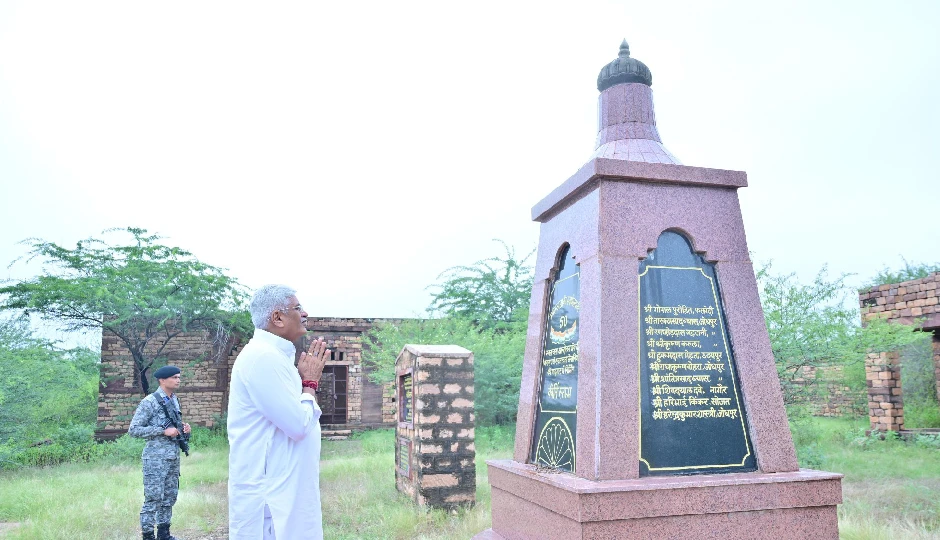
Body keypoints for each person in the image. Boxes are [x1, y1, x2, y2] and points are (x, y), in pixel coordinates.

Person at [227, 284, 329, 539]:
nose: (305, 313)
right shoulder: (263, 358)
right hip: (270, 498)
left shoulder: (273, 356)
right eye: (297, 308)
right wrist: (310, 384)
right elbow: (297, 425)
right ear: (277, 318)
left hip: (282, 491)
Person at [128, 365, 192, 540]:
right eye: (174, 377)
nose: (178, 380)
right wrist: (162, 431)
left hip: (172, 457)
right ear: (162, 380)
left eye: (179, 377)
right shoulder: (149, 401)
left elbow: (174, 427)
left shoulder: (174, 400)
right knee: (153, 498)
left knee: (169, 497)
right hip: (155, 459)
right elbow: (134, 429)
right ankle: (148, 535)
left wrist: (185, 429)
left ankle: (164, 534)